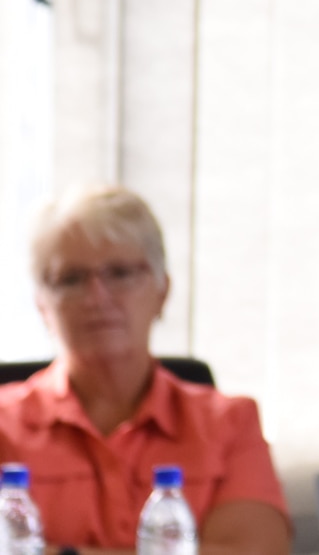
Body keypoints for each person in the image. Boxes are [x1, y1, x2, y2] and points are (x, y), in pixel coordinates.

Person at [0, 188, 290, 555]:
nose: (97, 297)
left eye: (120, 273)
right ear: (42, 304)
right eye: (71, 279)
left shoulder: (230, 423)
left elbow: (256, 551)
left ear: (162, 290)